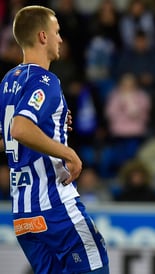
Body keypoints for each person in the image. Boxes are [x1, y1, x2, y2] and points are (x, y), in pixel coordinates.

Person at [0, 6, 109, 274]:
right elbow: (21, 129)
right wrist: (68, 153)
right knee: (97, 261)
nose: (61, 39)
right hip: (54, 205)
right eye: (57, 32)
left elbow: (8, 136)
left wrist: (52, 126)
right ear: (42, 36)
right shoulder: (46, 80)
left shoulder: (7, 82)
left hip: (24, 215)